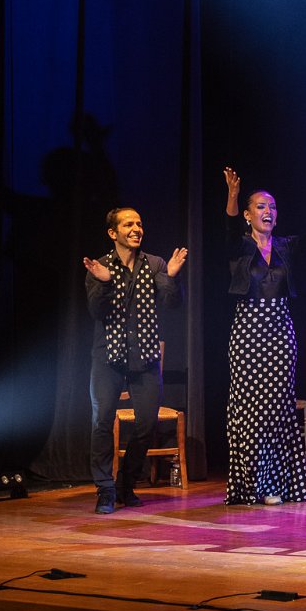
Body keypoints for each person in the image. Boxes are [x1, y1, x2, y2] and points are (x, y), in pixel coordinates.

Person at [222, 167, 306, 506]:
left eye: (273, 207)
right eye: (261, 206)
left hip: (280, 328)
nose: (268, 211)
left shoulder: (285, 246)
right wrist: (233, 195)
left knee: (277, 407)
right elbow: (228, 226)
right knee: (251, 408)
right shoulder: (239, 246)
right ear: (248, 214)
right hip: (248, 330)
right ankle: (251, 484)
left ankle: (275, 483)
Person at [83, 207, 187, 514]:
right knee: (102, 421)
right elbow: (96, 311)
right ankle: (105, 490)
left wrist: (171, 277)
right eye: (128, 224)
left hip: (145, 355)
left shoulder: (154, 264)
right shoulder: (101, 266)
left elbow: (172, 303)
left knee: (146, 423)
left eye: (139, 223)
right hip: (108, 356)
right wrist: (104, 283)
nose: (136, 228)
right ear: (113, 233)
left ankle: (125, 484)